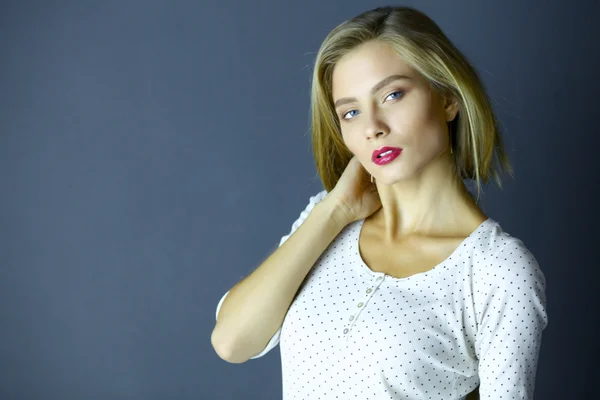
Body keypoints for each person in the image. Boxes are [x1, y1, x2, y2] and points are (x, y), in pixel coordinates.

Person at [211, 5, 548, 400]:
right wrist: (335, 211)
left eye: (392, 94)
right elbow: (233, 342)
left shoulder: (497, 270)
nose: (372, 127)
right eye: (351, 112)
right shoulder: (328, 220)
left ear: (448, 99)